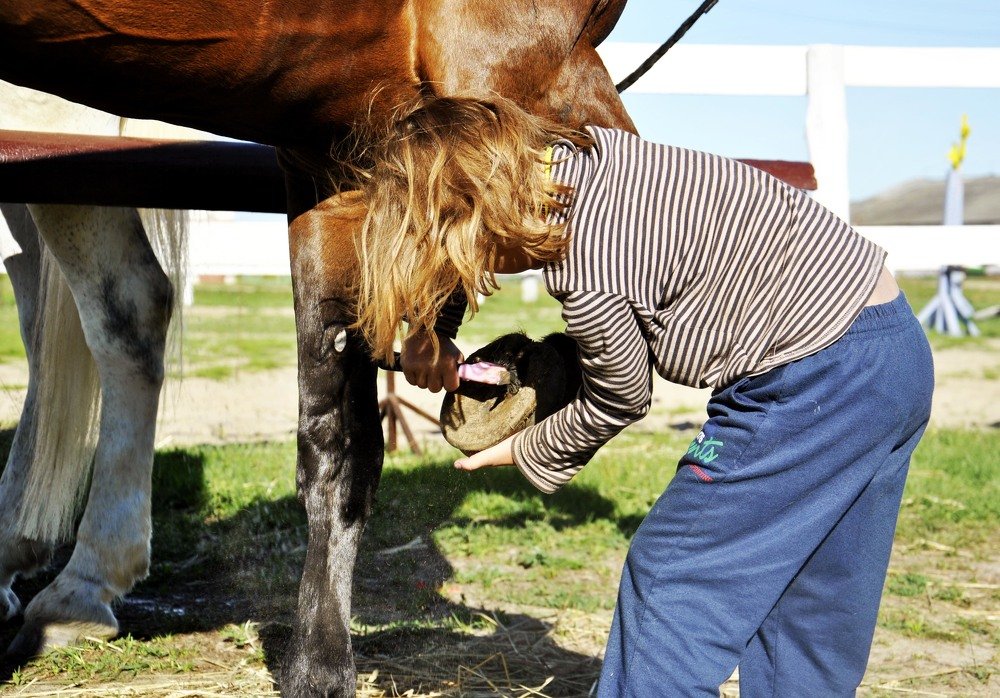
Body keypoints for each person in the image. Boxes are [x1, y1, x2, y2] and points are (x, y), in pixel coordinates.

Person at [352, 95, 934, 696]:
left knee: (674, 574)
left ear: (472, 215)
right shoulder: (597, 160)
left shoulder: (585, 258)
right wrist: (433, 326)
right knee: (810, 601)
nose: (478, 269)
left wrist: (528, 450)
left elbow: (620, 396)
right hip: (890, 351)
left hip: (811, 382)